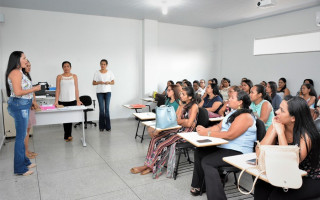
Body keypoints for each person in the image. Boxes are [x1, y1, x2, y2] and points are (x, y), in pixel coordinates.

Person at [190, 90, 257, 199]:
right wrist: (205, 129)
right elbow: (219, 127)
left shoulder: (245, 116)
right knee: (200, 151)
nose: (228, 99)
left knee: (208, 162)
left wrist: (207, 133)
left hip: (238, 151)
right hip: (226, 146)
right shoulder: (233, 112)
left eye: (232, 98)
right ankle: (199, 186)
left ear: (240, 102)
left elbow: (230, 135)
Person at [254, 96, 320, 200]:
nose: (276, 112)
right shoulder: (278, 124)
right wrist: (273, 132)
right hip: (284, 174)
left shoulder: (306, 135)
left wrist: (280, 133)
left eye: (282, 110)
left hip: (309, 177)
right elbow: (259, 154)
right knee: (260, 187)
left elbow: (288, 163)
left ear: (293, 118)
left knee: (276, 197)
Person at [130, 86, 198, 178]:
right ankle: (147, 164)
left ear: (190, 97)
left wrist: (184, 121)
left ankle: (154, 167)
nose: (180, 95)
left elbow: (189, 124)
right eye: (181, 93)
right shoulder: (183, 104)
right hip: (178, 128)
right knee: (155, 139)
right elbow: (176, 119)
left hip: (186, 133)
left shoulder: (194, 106)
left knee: (162, 143)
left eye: (183, 94)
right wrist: (183, 119)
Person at [5, 51, 41, 176]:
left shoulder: (20, 72)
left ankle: (25, 161)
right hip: (19, 106)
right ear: (17, 60)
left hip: (23, 105)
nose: (26, 60)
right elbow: (18, 92)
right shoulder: (15, 72)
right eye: (24, 58)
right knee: (20, 138)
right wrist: (35, 89)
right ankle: (20, 168)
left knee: (23, 134)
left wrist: (30, 99)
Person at [54, 61, 82, 141]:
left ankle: (69, 135)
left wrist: (78, 100)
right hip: (62, 101)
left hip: (72, 100)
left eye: (68, 66)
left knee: (70, 118)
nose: (66, 68)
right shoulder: (59, 77)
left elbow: (76, 89)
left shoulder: (74, 76)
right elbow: (58, 89)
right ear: (62, 68)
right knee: (65, 118)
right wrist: (56, 101)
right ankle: (67, 135)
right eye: (64, 66)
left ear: (70, 67)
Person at [22, 60, 39, 159]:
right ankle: (25, 153)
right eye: (27, 66)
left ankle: (27, 151)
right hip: (26, 105)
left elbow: (32, 92)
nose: (29, 67)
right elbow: (24, 92)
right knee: (26, 132)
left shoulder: (28, 77)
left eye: (30, 65)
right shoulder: (22, 77)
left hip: (30, 104)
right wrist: (33, 102)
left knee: (28, 130)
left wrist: (34, 101)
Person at [92, 59, 115, 132]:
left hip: (108, 92)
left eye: (104, 64)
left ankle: (108, 127)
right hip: (99, 92)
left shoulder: (110, 72)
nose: (103, 65)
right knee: (102, 110)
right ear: (100, 65)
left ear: (106, 65)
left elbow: (113, 82)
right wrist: (99, 82)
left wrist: (109, 82)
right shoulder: (97, 72)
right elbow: (93, 83)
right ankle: (101, 126)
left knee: (107, 109)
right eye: (101, 64)